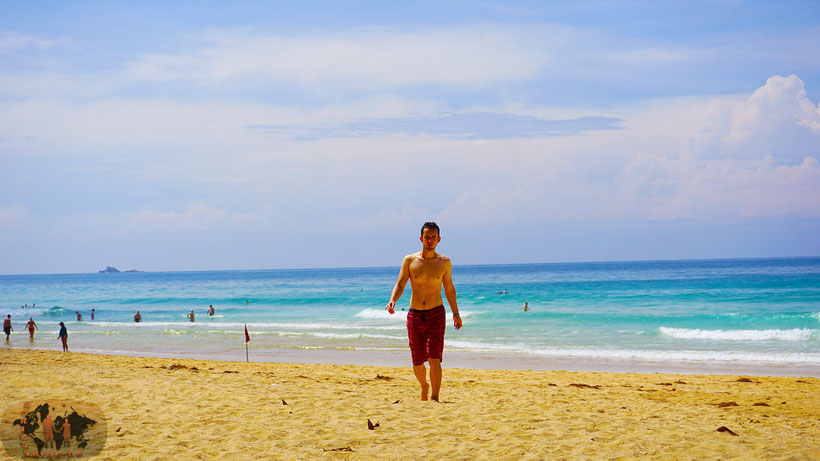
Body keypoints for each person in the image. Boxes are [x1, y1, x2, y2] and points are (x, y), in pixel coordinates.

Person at [386, 222, 462, 402]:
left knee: (434, 356)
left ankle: (435, 397)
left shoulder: (444, 262)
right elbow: (401, 283)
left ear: (439, 240)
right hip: (415, 315)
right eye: (427, 237)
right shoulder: (410, 260)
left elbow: (449, 288)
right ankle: (424, 386)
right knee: (417, 362)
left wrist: (456, 314)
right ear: (421, 238)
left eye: (433, 237)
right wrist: (392, 300)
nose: (430, 240)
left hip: (436, 314)